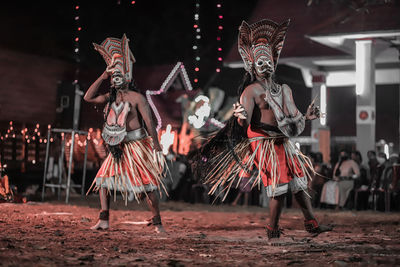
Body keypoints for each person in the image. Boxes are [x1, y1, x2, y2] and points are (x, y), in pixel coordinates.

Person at [199, 19, 332, 241]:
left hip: (284, 142)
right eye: (260, 62)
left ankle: (312, 223)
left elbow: (294, 118)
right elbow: (245, 124)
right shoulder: (250, 91)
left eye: (269, 61)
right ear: (252, 66)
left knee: (299, 184)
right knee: (279, 188)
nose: (266, 65)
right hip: (263, 143)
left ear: (274, 62)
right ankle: (272, 231)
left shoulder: (284, 90)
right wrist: (240, 118)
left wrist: (306, 117)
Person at [84, 34, 167, 233]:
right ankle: (104, 220)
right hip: (119, 147)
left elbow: (149, 121)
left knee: (148, 187)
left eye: (118, 74)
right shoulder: (109, 97)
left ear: (127, 76)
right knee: (102, 181)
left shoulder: (137, 98)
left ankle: (158, 224)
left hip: (138, 146)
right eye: (113, 75)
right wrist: (103, 76)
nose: (116, 77)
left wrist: (155, 146)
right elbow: (88, 97)